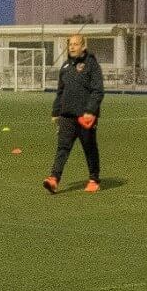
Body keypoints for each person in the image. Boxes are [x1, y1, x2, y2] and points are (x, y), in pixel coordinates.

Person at [44, 33, 104, 194]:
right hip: (67, 116)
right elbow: (60, 92)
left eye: (76, 44)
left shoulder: (92, 65)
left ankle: (94, 179)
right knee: (62, 148)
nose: (72, 47)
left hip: (85, 117)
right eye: (70, 44)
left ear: (83, 46)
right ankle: (54, 179)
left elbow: (98, 91)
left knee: (89, 148)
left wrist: (91, 111)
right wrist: (56, 112)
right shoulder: (65, 67)